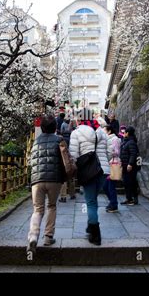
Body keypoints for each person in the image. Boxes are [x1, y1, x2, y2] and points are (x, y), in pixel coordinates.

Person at [69, 108, 108, 246]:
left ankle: (96, 235)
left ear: (79, 118)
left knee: (90, 202)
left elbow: (73, 156)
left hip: (89, 171)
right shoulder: (101, 132)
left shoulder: (76, 133)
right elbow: (108, 152)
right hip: (103, 171)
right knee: (93, 200)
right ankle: (90, 226)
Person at [27, 115, 66, 253]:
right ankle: (48, 237)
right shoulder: (59, 140)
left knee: (37, 209)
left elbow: (31, 162)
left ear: (42, 128)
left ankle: (33, 236)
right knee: (51, 206)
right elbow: (65, 160)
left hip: (37, 180)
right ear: (55, 127)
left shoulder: (36, 142)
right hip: (54, 180)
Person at [120, 126, 140, 206]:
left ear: (127, 133)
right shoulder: (127, 141)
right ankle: (129, 198)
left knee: (130, 182)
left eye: (124, 133)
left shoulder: (131, 142)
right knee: (127, 182)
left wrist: (130, 164)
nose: (123, 134)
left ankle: (132, 199)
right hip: (125, 165)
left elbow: (133, 154)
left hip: (129, 166)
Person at [103, 125, 121, 213]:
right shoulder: (106, 140)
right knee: (106, 186)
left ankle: (114, 205)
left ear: (109, 131)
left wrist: (109, 152)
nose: (104, 133)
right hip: (108, 165)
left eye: (105, 131)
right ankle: (112, 203)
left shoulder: (115, 139)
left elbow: (117, 152)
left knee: (110, 186)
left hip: (113, 164)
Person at [59, 119, 76, 203]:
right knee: (71, 178)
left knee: (64, 180)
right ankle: (72, 194)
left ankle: (63, 196)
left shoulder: (61, 142)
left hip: (63, 162)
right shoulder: (69, 139)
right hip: (70, 160)